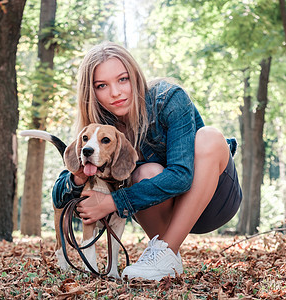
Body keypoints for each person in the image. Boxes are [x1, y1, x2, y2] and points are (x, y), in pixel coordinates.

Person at [52, 41, 242, 281]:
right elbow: (59, 193)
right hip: (165, 213)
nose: (115, 92)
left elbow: (182, 175)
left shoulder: (169, 98)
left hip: (213, 202)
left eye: (123, 79)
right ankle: (164, 255)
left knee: (210, 137)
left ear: (135, 75)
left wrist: (113, 201)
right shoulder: (99, 130)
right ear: (92, 92)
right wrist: (78, 178)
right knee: (144, 171)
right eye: (102, 85)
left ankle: (165, 251)